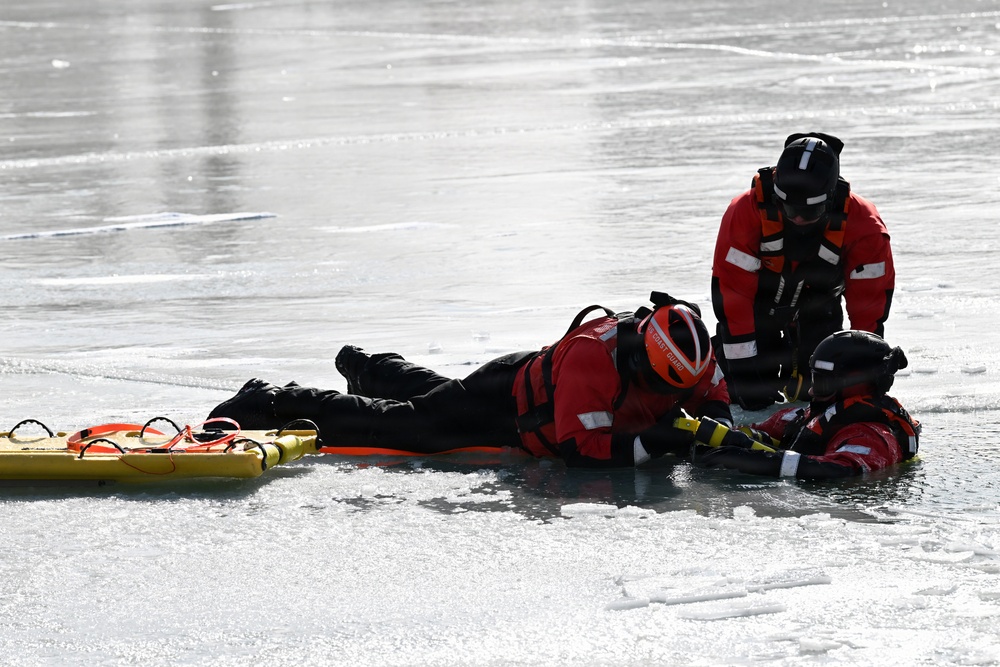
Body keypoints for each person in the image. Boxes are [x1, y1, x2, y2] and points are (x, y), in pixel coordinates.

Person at [206, 292, 733, 468]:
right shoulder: (592, 360)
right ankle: (273, 398)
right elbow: (581, 447)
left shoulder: (688, 346)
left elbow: (711, 391)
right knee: (412, 428)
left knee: (433, 398)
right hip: (505, 402)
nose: (671, 397)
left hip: (525, 396)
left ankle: (372, 367)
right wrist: (656, 442)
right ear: (641, 356)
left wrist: (718, 421)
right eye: (661, 386)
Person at [711, 132, 895, 410]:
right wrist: (744, 372)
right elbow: (732, 295)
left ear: (831, 198)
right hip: (757, 314)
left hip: (821, 313)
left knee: (824, 392)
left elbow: (869, 306)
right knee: (740, 394)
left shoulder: (864, 225)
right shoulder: (745, 211)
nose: (797, 217)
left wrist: (865, 375)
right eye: (789, 207)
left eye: (809, 211)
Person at [695, 330, 919, 480]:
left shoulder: (871, 435)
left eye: (821, 382)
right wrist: (729, 437)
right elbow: (766, 429)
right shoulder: (803, 417)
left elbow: (840, 470)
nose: (811, 390)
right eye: (813, 379)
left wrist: (756, 462)